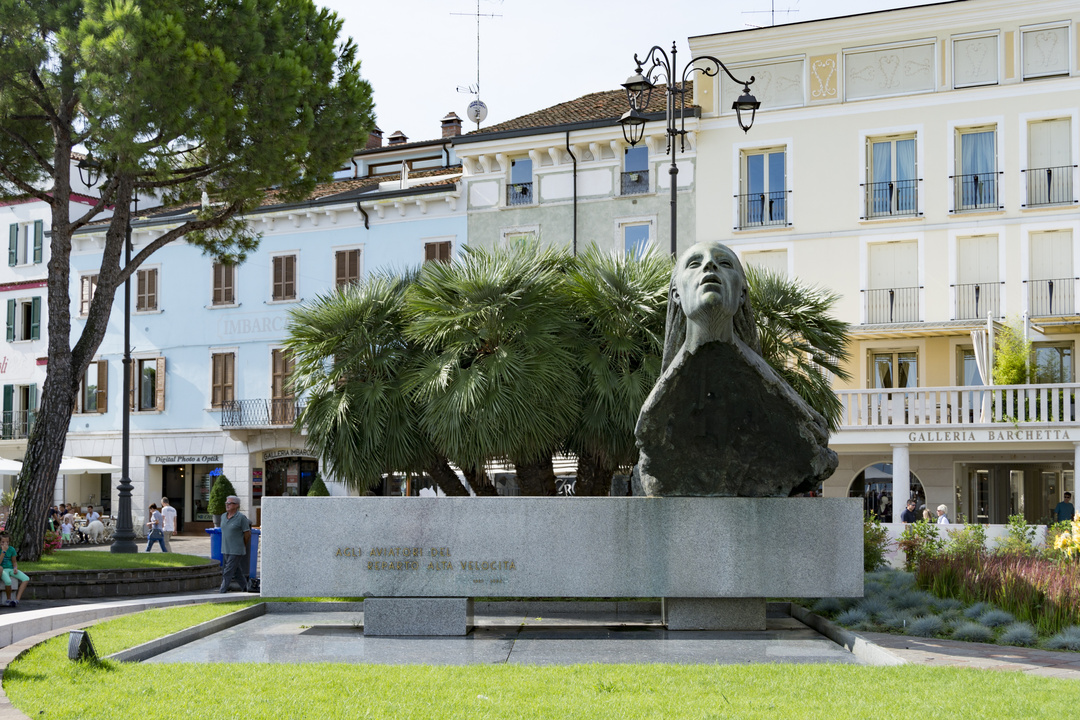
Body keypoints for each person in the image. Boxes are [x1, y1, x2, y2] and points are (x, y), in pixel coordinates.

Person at [219, 495, 251, 593]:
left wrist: (242, 545)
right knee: (237, 572)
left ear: (236, 505)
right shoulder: (223, 516)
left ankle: (222, 591)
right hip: (225, 549)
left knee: (228, 571)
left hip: (236, 550)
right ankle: (246, 588)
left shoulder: (241, 518)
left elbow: (247, 533)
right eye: (226, 503)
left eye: (230, 503)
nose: (227, 505)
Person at [0, 533, 29, 607]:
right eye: (2, 542)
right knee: (8, 581)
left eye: (7, 542)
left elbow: (14, 561)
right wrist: (3, 552)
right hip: (3, 569)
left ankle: (16, 600)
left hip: (11, 569)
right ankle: (8, 599)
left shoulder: (12, 549)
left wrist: (15, 568)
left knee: (26, 578)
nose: (5, 544)